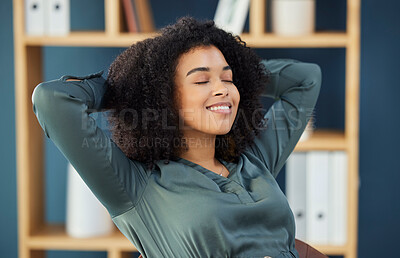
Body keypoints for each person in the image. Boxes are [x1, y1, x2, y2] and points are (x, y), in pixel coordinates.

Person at [32, 16, 321, 258]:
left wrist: (246, 76)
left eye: (228, 79)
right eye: (201, 80)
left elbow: (306, 78)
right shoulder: (137, 187)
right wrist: (126, 85)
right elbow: (52, 100)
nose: (223, 90)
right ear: (164, 96)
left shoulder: (255, 159)